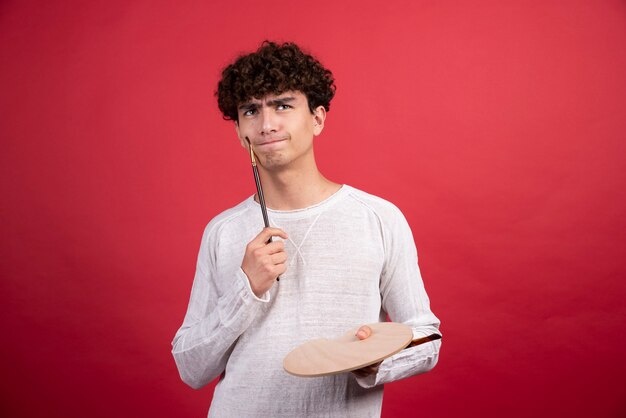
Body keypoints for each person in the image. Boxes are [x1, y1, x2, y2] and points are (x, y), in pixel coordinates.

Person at [172, 41, 441, 417]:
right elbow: (191, 367)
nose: (267, 124)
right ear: (238, 130)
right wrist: (245, 289)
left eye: (283, 105)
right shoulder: (223, 232)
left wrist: (374, 360)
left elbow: (427, 337)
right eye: (251, 110)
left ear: (317, 118)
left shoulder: (378, 218)